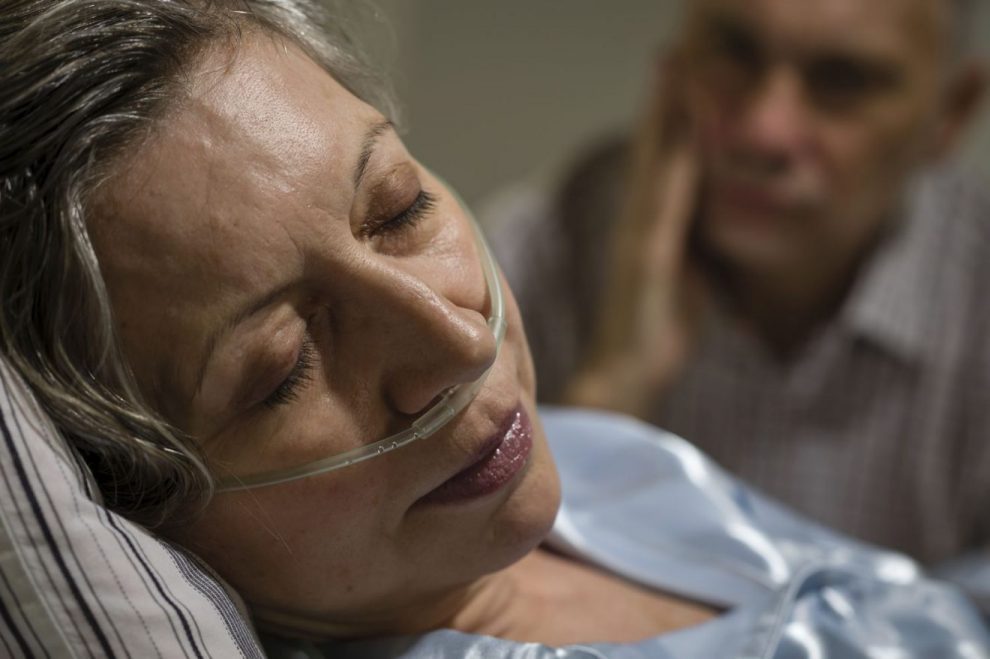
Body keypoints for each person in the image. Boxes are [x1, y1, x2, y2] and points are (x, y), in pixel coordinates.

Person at [0, 1, 987, 657]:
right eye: (285, 366)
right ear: (150, 503)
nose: (460, 341)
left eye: (398, 209)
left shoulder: (585, 465)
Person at [486, 0, 990, 570]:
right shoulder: (538, 257)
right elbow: (476, 596)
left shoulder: (975, 301)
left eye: (842, 81)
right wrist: (614, 384)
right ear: (676, 64)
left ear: (951, 112)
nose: (763, 132)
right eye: (733, 53)